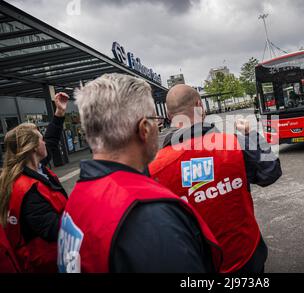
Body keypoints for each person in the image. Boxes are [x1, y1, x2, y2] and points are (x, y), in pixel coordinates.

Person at [57, 73, 222, 273]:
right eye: (155, 119)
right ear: (144, 128)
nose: (158, 126)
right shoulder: (150, 215)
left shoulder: (78, 196)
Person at [149, 84, 282, 273]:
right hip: (246, 258)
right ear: (199, 105)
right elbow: (271, 172)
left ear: (170, 116)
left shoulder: (154, 168)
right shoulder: (234, 143)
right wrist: (250, 135)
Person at [0, 92, 69, 273]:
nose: (44, 142)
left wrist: (59, 113)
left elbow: (52, 141)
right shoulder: (27, 191)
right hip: (49, 265)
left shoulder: (35, 168)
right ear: (32, 148)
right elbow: (55, 229)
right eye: (40, 139)